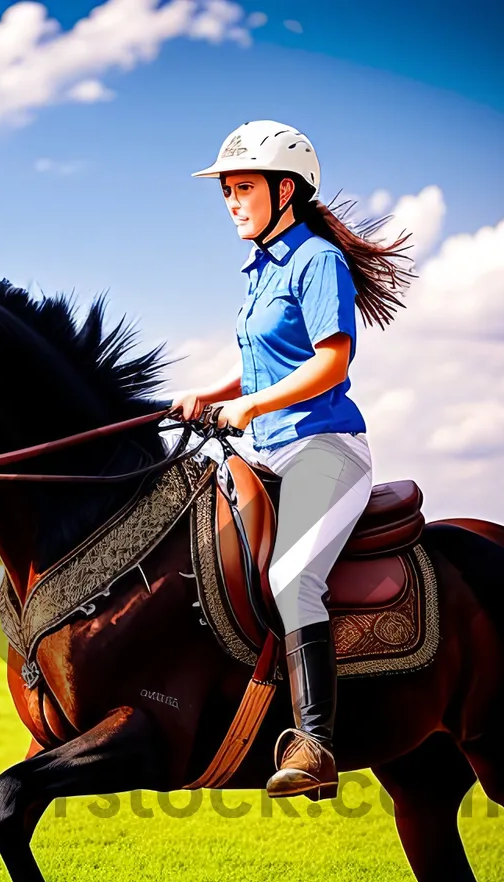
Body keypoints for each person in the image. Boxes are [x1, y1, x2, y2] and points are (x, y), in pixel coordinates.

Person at [170, 120, 413, 802]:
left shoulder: (316, 261)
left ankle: (315, 745)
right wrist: (209, 395)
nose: (233, 203)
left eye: (243, 188)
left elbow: (330, 362)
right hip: (271, 451)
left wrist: (246, 410)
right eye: (226, 192)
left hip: (326, 449)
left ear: (285, 189)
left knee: (292, 576)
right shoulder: (261, 270)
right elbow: (257, 367)